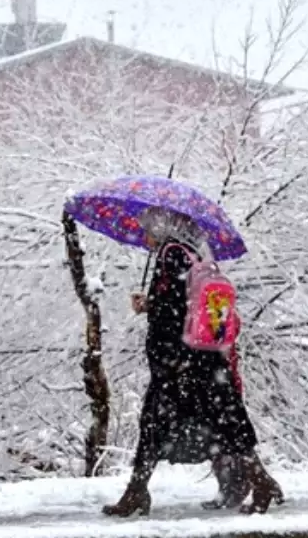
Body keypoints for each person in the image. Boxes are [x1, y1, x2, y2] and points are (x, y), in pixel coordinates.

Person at [102, 208, 284, 518]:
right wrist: (152, 305)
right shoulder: (190, 253)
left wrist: (169, 348)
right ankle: (260, 481)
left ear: (163, 226)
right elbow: (183, 304)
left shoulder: (171, 255)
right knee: (224, 423)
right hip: (201, 359)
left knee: (160, 425)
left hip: (184, 364)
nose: (144, 234)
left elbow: (175, 309)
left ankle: (137, 492)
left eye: (148, 227)